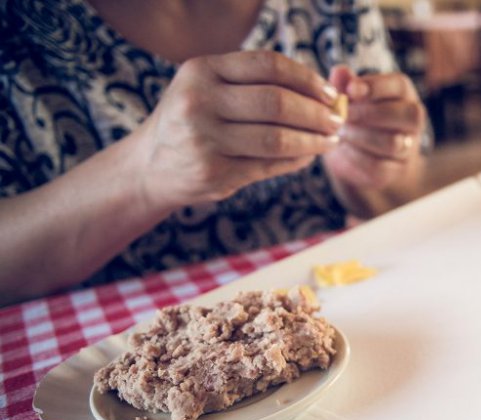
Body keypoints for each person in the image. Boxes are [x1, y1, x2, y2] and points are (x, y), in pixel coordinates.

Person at [0, 0, 427, 305]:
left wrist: (375, 167)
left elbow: (401, 199)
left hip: (341, 313)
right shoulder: (17, 26)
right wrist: (143, 173)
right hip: (100, 359)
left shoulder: (338, 9)